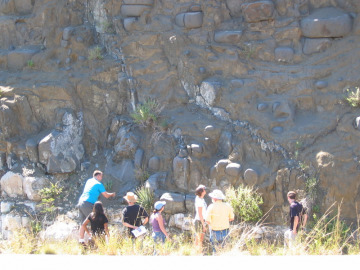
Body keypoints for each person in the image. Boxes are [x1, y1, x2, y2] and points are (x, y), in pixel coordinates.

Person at [193, 184, 207, 250]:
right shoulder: (199, 200)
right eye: (204, 189)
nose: (205, 190)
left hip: (202, 220)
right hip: (199, 221)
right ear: (202, 191)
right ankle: (198, 252)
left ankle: (199, 251)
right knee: (198, 239)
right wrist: (204, 225)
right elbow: (200, 214)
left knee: (200, 239)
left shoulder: (201, 199)